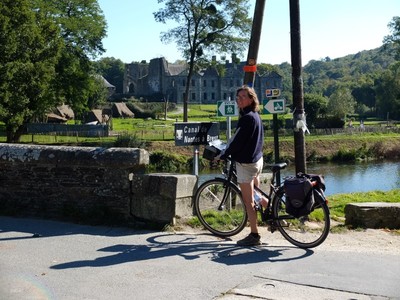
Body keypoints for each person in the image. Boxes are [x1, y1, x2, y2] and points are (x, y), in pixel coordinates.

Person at [217, 85, 264, 246]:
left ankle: (254, 235)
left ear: (251, 99)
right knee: (256, 193)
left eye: (243, 97)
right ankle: (273, 213)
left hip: (247, 164)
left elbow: (237, 142)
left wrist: (223, 155)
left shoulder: (246, 118)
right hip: (257, 159)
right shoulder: (255, 115)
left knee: (248, 201)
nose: (239, 100)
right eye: (238, 97)